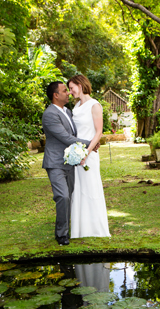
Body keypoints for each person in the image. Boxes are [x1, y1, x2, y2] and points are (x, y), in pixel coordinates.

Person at [41, 81, 93, 246]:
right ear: (56, 95)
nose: (69, 93)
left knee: (69, 196)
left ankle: (68, 228)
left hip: (70, 162)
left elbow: (73, 133)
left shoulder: (68, 112)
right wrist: (90, 143)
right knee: (62, 196)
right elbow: (65, 137)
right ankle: (61, 234)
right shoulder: (49, 114)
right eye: (65, 91)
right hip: (55, 162)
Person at [67, 75, 111, 238]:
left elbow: (99, 132)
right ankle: (80, 229)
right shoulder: (76, 106)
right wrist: (75, 152)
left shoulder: (95, 105)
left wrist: (87, 152)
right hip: (76, 154)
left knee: (91, 187)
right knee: (78, 189)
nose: (71, 92)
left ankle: (96, 229)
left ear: (80, 85)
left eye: (72, 88)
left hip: (89, 154)